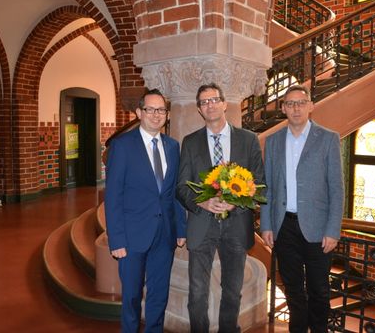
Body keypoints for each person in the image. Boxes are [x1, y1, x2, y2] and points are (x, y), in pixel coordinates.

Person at [177, 83, 265, 333]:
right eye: (204, 102)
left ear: (225, 104)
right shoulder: (190, 142)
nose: (210, 105)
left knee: (232, 291)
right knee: (197, 293)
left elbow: (259, 184)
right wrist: (202, 201)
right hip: (201, 224)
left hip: (236, 225)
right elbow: (181, 187)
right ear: (199, 110)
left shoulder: (248, 140)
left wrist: (235, 201)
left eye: (214, 100)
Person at [260, 85, 344, 333]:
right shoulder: (273, 141)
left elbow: (337, 189)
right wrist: (266, 224)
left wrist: (333, 230)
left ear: (311, 106)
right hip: (284, 227)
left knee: (319, 290)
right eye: (290, 103)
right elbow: (269, 188)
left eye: (300, 102)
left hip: (318, 229)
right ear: (283, 108)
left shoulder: (328, 138)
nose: (295, 108)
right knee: (293, 289)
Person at [104, 89, 186, 333]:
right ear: (139, 112)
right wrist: (116, 239)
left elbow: (174, 192)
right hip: (131, 237)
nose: (156, 114)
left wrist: (180, 228)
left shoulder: (172, 146)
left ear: (167, 115)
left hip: (165, 235)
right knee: (131, 296)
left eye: (161, 110)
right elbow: (113, 196)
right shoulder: (122, 146)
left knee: (159, 295)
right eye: (150, 109)